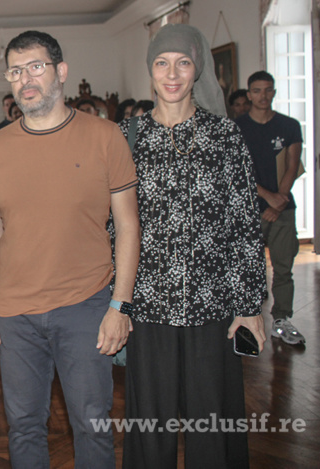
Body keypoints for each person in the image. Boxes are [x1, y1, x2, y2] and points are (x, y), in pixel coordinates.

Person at [0, 30, 139, 469]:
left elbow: (128, 225)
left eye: (35, 67)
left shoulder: (105, 136)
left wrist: (120, 305)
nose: (25, 79)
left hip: (86, 305)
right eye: (15, 71)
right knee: (24, 426)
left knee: (92, 425)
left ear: (61, 71)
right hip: (15, 314)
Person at [119, 24, 267, 468]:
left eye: (182, 63)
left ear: (197, 69)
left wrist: (249, 305)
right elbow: (112, 226)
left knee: (214, 423)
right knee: (150, 425)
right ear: (150, 69)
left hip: (213, 305)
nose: (172, 74)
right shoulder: (126, 137)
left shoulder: (224, 136)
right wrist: (115, 303)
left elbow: (244, 223)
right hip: (147, 305)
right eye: (162, 63)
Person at [236, 71, 305, 345]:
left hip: (283, 209)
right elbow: (237, 171)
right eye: (257, 91)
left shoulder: (289, 125)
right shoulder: (237, 127)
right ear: (249, 94)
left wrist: (279, 201)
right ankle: (246, 320)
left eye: (267, 90)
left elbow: (292, 165)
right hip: (249, 209)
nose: (262, 96)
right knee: (247, 268)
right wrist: (267, 197)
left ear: (274, 92)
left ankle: (281, 319)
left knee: (283, 267)